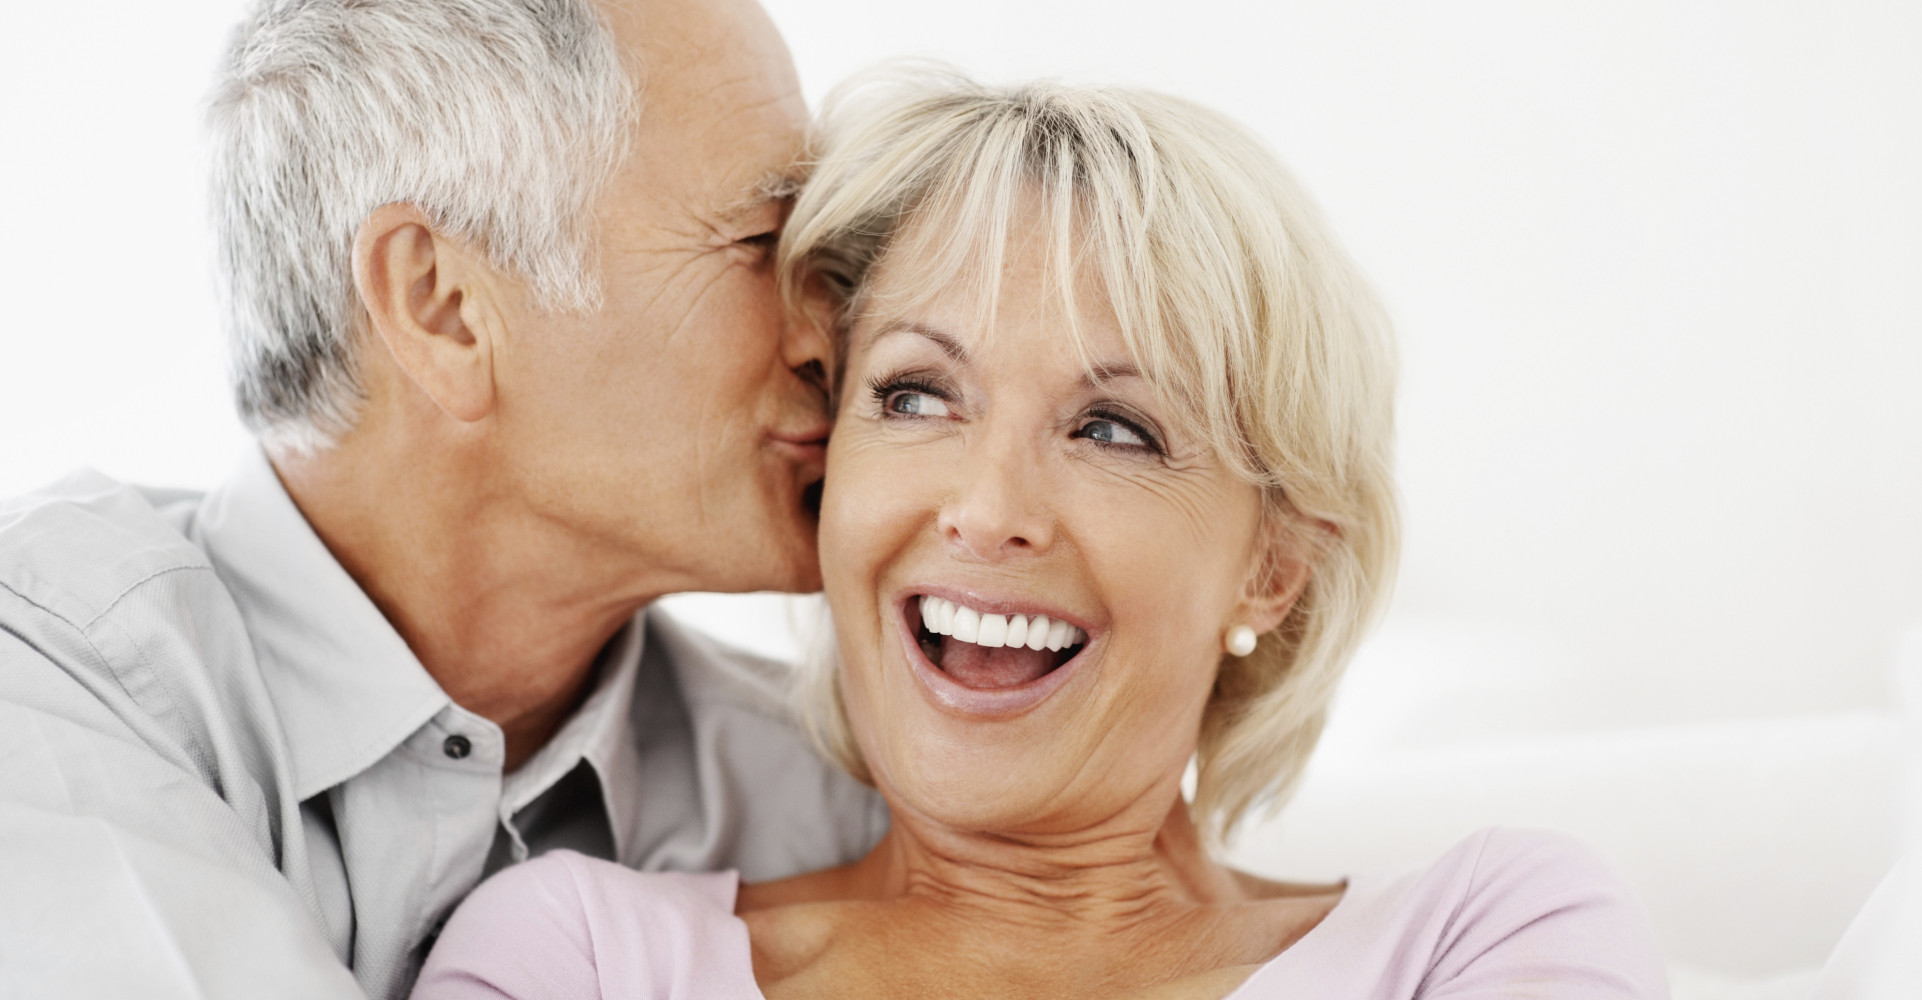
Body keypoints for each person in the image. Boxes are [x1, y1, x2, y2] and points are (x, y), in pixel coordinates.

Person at [411, 71, 1672, 999]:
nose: (986, 509)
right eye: (914, 396)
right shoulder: (572, 956)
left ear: (1273, 565)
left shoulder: (1489, 936)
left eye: (1113, 429)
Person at [0, 1, 884, 998]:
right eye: (763, 239)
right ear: (442, 306)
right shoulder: (41, 673)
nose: (834, 335)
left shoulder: (840, 804)